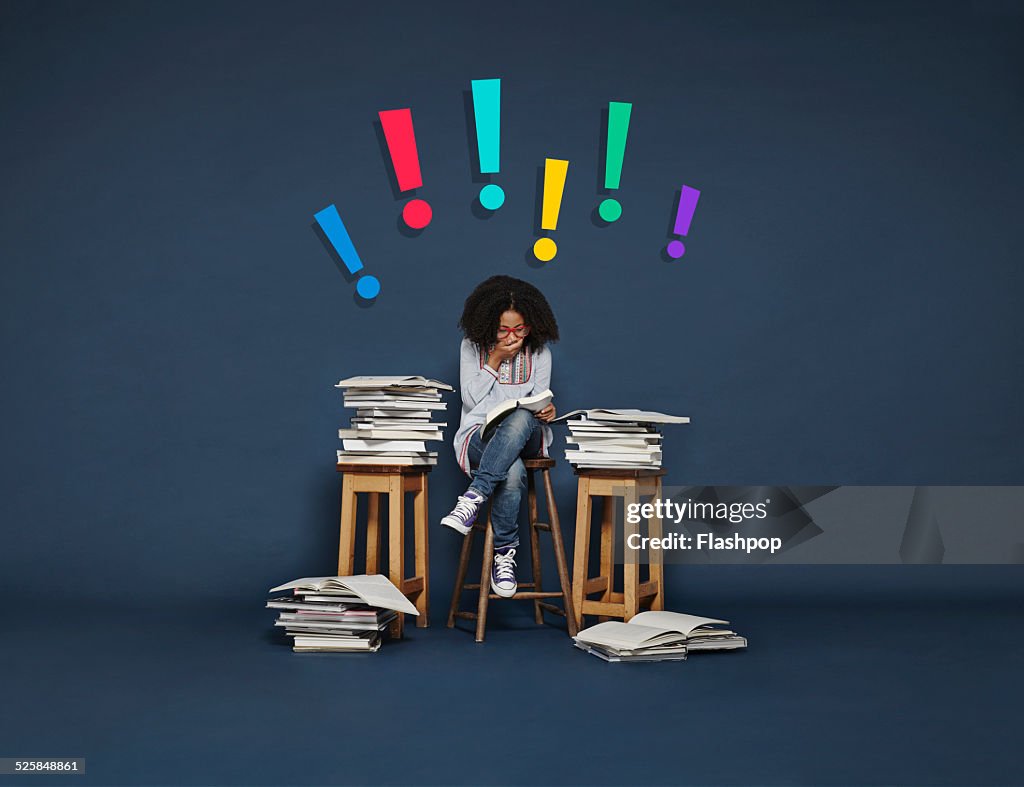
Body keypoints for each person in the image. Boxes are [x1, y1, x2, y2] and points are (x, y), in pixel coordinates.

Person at [441, 275, 560, 597]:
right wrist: (494, 359)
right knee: (511, 472)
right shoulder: (472, 347)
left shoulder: (540, 353)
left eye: (520, 329)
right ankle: (504, 554)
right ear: (487, 324)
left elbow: (539, 398)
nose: (512, 336)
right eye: (504, 329)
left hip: (528, 437)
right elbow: (471, 401)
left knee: (521, 414)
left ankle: (474, 497)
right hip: (480, 437)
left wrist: (547, 410)